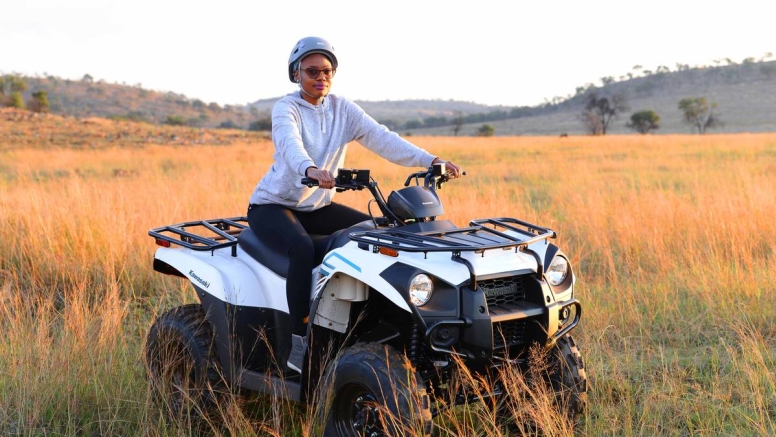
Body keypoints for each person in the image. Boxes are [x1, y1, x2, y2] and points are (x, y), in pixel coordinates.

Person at [247, 36, 461, 373]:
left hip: (318, 207)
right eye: (312, 71)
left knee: (376, 235)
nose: (321, 77)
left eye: (327, 71)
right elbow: (289, 144)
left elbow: (383, 138)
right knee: (301, 249)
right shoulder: (286, 108)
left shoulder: (342, 109)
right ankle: (300, 339)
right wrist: (311, 170)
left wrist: (431, 159)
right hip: (274, 207)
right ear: (295, 74)